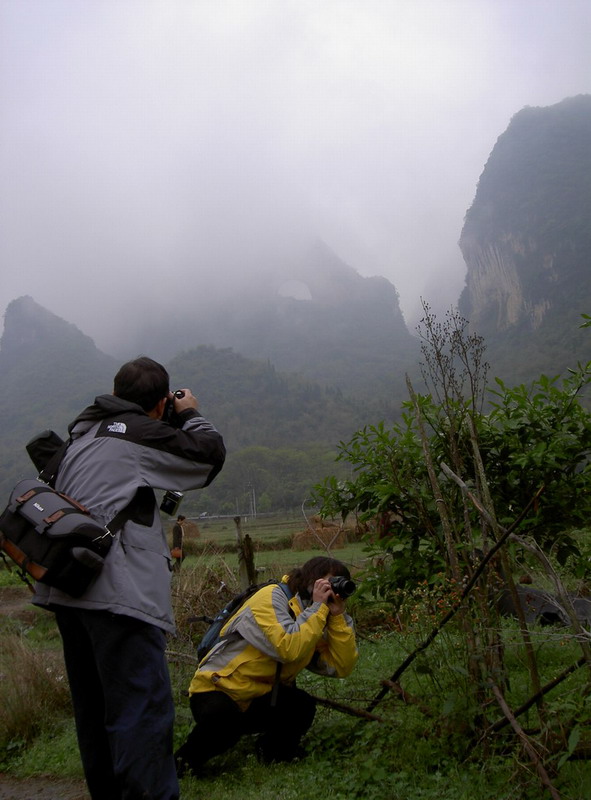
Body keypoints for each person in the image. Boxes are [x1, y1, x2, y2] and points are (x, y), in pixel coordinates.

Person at [32, 356, 226, 800]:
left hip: (69, 591)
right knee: (141, 712)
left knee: (97, 714)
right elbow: (208, 457)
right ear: (159, 405)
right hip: (117, 595)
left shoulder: (80, 437)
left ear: (116, 393)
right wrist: (191, 412)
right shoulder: (138, 434)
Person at [174, 556, 358, 774]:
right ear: (310, 579)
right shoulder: (271, 598)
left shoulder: (312, 613)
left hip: (260, 695)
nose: (332, 592)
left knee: (301, 706)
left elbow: (340, 666)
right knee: (224, 724)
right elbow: (288, 647)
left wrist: (336, 616)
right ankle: (181, 764)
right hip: (217, 690)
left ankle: (273, 752)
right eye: (329, 583)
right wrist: (318, 608)